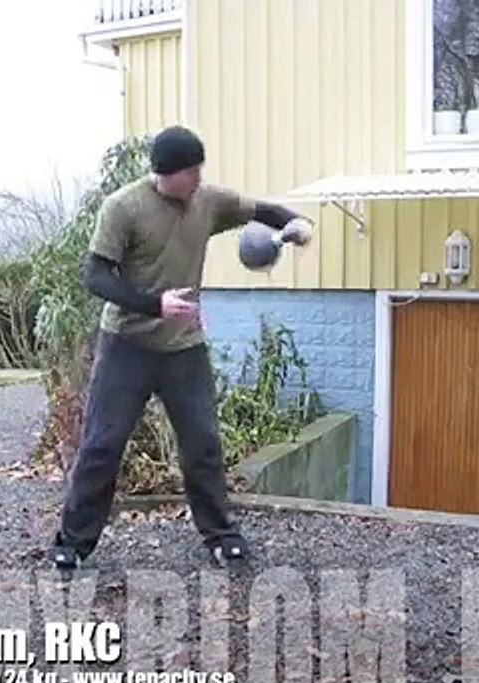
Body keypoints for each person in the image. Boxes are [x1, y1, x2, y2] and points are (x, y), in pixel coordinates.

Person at [50, 125, 313, 570]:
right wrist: (156, 303)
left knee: (203, 444)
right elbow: (94, 276)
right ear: (163, 175)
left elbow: (258, 209)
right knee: (101, 446)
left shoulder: (206, 202)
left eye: (198, 170)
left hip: (184, 350)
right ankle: (72, 543)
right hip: (126, 346)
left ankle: (221, 535)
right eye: (187, 173)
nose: (195, 179)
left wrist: (293, 223)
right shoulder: (124, 208)